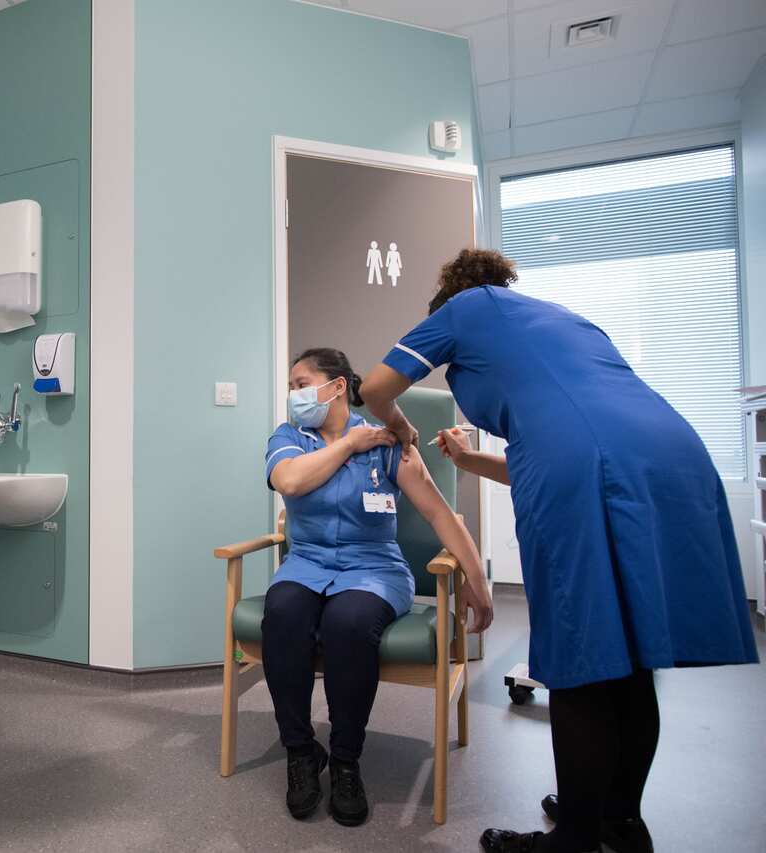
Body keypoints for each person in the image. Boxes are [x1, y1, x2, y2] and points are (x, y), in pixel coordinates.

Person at [361, 249, 759, 853]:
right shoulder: (564, 321)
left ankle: (573, 839)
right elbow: (569, 451)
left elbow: (374, 388)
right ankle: (616, 819)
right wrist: (469, 461)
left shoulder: (464, 308)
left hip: (585, 461)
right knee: (629, 659)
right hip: (671, 453)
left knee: (580, 657)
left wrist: (401, 424)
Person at [263, 347, 493, 827]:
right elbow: (289, 481)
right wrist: (348, 446)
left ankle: (346, 759)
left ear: (338, 386)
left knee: (349, 622)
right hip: (306, 564)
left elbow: (438, 513)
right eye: (290, 387)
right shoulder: (290, 438)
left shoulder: (392, 444)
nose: (294, 395)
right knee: (282, 613)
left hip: (374, 570)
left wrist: (477, 578)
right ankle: (302, 753)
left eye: (301, 382)